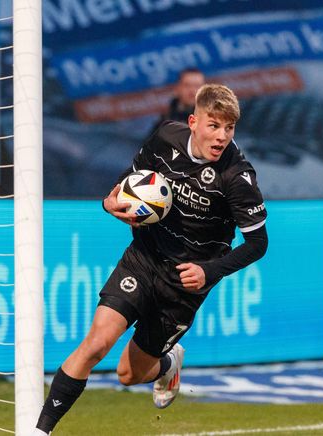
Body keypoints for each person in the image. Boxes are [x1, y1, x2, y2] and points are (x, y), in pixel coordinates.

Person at [34, 84, 268, 435]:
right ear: (193, 121)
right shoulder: (165, 138)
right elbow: (130, 179)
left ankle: (169, 363)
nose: (221, 137)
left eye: (229, 128)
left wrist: (209, 271)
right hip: (144, 258)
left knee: (128, 374)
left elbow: (258, 243)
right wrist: (109, 201)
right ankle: (40, 430)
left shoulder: (237, 177)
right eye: (213, 126)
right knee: (96, 344)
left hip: (184, 284)